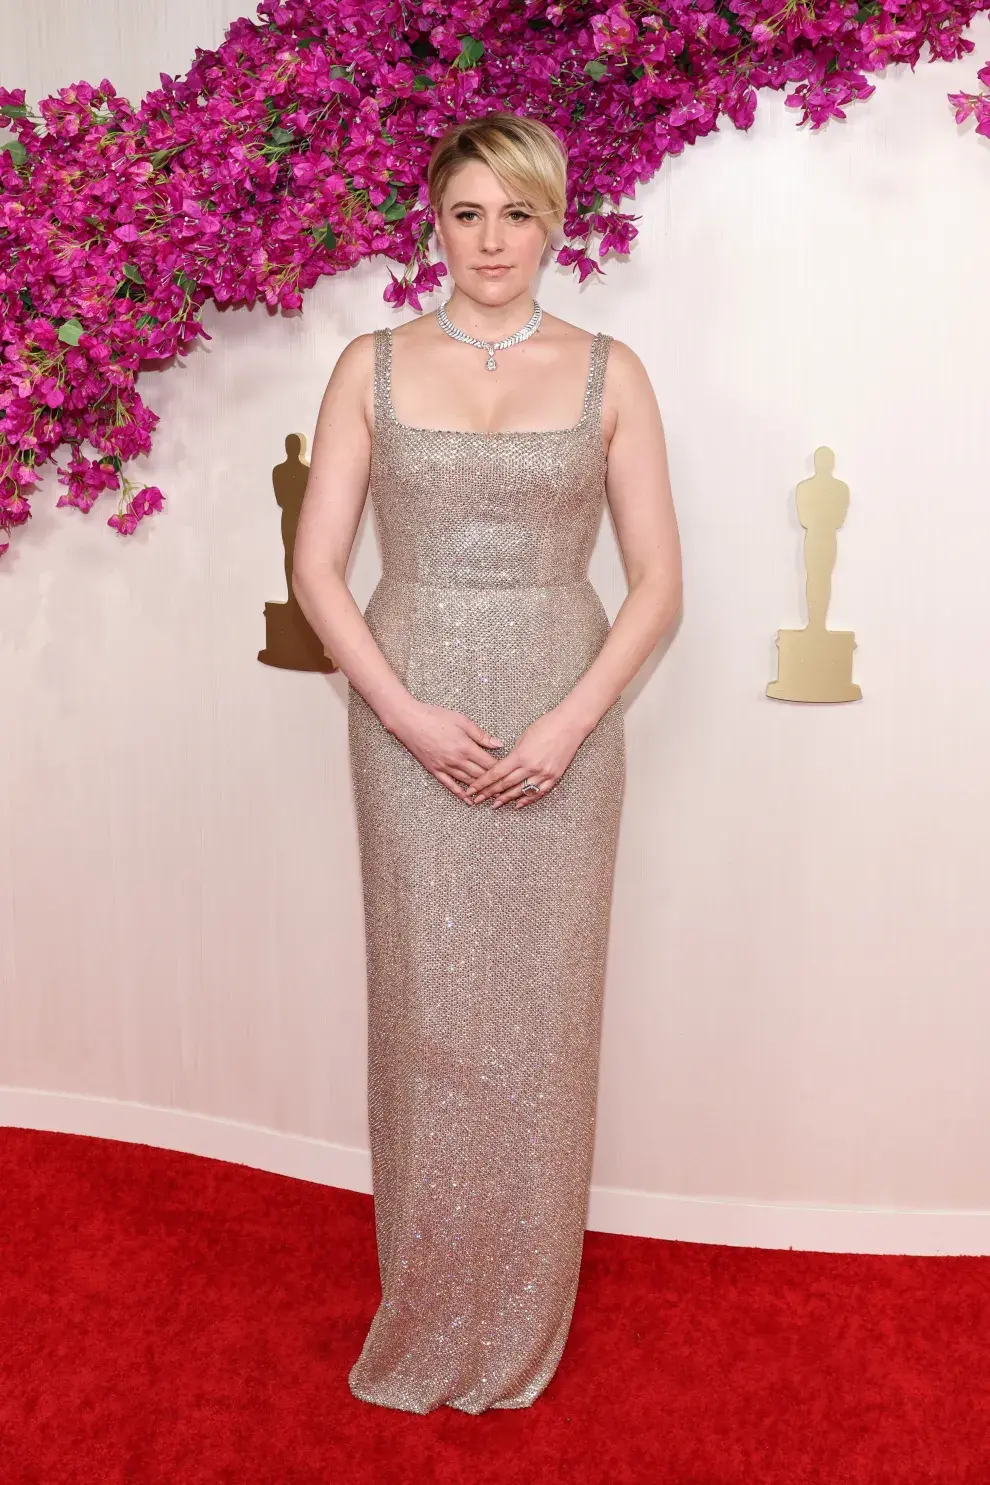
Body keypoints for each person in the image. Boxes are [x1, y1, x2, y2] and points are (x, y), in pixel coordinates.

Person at [291, 110, 682, 1415]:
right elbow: (316, 566)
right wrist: (402, 711)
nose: (492, 239)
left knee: (538, 1023)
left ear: (553, 219)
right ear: (435, 224)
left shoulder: (609, 371)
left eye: (515, 212)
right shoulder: (370, 365)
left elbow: (658, 586)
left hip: (564, 721)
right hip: (409, 715)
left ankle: (519, 1308)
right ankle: (432, 1293)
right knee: (428, 1016)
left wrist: (571, 722)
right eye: (467, 214)